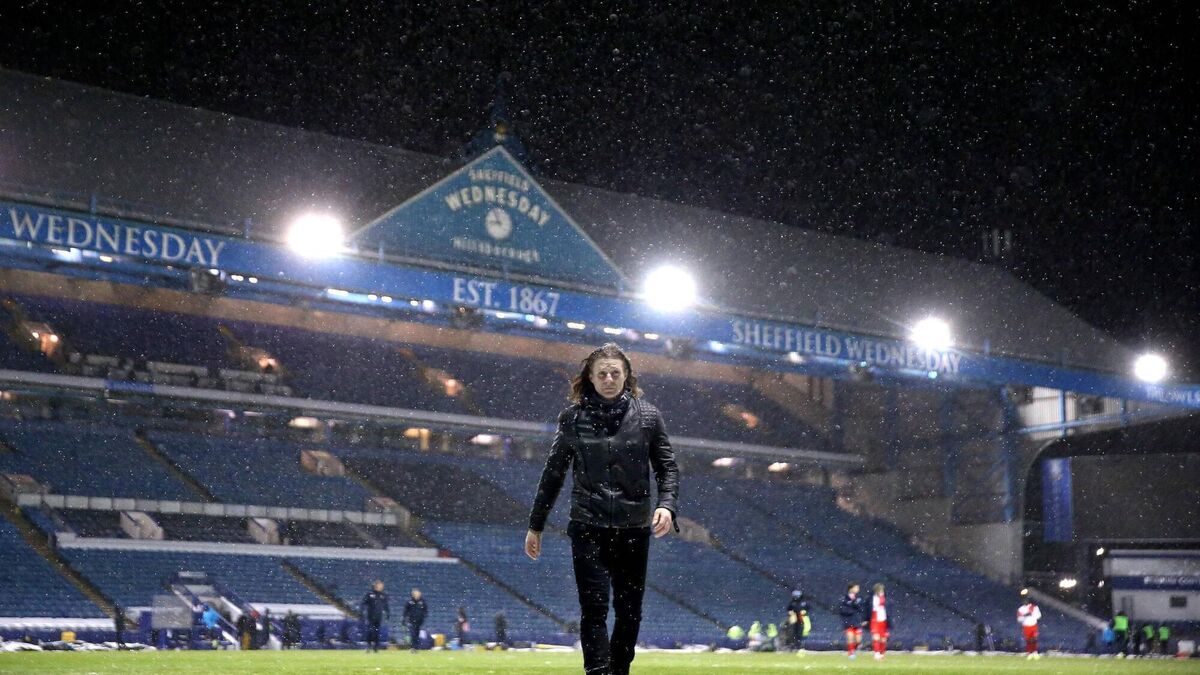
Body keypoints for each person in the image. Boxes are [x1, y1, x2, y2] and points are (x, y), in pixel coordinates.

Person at [525, 343, 680, 675]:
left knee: (629, 611)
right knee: (593, 610)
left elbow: (667, 467)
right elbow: (553, 474)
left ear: (626, 376)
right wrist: (535, 525)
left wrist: (667, 505)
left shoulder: (648, 416)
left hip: (634, 530)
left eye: (615, 373)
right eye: (602, 374)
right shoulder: (572, 419)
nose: (609, 379)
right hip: (588, 528)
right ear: (591, 378)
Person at [839, 582, 868, 659]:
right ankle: (851, 653)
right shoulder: (844, 598)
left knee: (858, 640)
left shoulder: (859, 598)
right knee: (850, 638)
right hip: (848, 621)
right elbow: (842, 610)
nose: (857, 589)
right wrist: (852, 608)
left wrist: (864, 619)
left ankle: (854, 648)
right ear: (851, 588)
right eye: (856, 587)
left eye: (858, 588)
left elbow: (862, 609)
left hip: (857, 621)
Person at [361, 580, 390, 652]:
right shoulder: (370, 594)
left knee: (377, 632)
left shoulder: (383, 595)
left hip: (378, 617)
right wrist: (362, 612)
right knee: (370, 631)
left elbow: (386, 606)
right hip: (370, 616)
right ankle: (368, 646)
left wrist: (388, 613)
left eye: (382, 585)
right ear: (376, 585)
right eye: (380, 585)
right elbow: (363, 603)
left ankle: (376, 647)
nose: (381, 586)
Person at [869, 583, 890, 661]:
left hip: (883, 620)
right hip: (875, 619)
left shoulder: (884, 598)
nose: (882, 592)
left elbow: (887, 608)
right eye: (880, 590)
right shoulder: (873, 598)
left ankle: (882, 654)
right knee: (876, 637)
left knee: (883, 639)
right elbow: (870, 607)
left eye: (882, 590)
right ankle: (876, 654)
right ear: (877, 591)